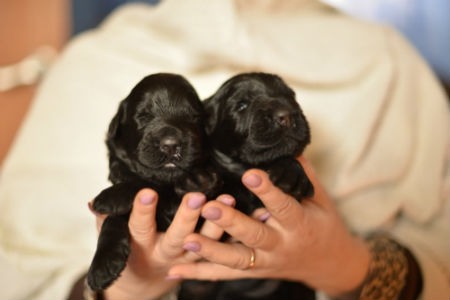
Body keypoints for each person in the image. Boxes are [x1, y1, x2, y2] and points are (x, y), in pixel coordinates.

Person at [0, 0, 448, 300]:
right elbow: (21, 272)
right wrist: (126, 288)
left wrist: (344, 263)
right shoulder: (94, 63)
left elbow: (441, 258)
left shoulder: (384, 60)